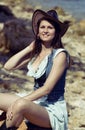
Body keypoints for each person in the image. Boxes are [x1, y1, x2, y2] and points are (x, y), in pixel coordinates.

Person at [0, 9, 70, 130]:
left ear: (56, 32)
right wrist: (29, 47)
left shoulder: (60, 55)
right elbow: (8, 66)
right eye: (42, 27)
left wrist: (18, 102)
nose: (45, 31)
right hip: (35, 102)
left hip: (51, 109)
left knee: (20, 105)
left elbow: (46, 89)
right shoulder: (36, 53)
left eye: (50, 28)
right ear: (37, 31)